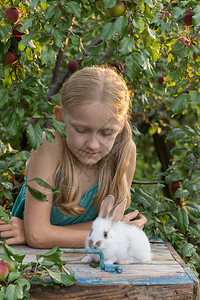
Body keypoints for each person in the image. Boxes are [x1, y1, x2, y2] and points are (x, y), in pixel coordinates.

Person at [0, 66, 147, 248]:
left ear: (122, 123)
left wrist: (45, 233)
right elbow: (38, 236)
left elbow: (39, 233)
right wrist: (113, 235)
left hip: (88, 266)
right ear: (60, 117)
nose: (93, 144)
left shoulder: (125, 153)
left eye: (107, 133)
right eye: (81, 130)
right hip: (28, 262)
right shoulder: (50, 145)